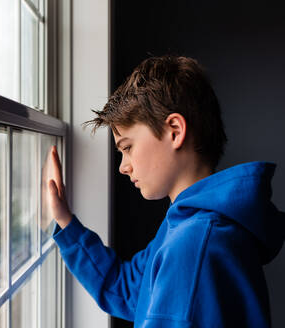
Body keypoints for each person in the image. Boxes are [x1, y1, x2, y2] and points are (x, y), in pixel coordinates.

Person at [46, 55, 285, 327]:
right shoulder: (187, 223)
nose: (123, 167)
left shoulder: (192, 245)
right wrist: (66, 222)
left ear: (174, 130)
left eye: (127, 148)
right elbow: (126, 291)